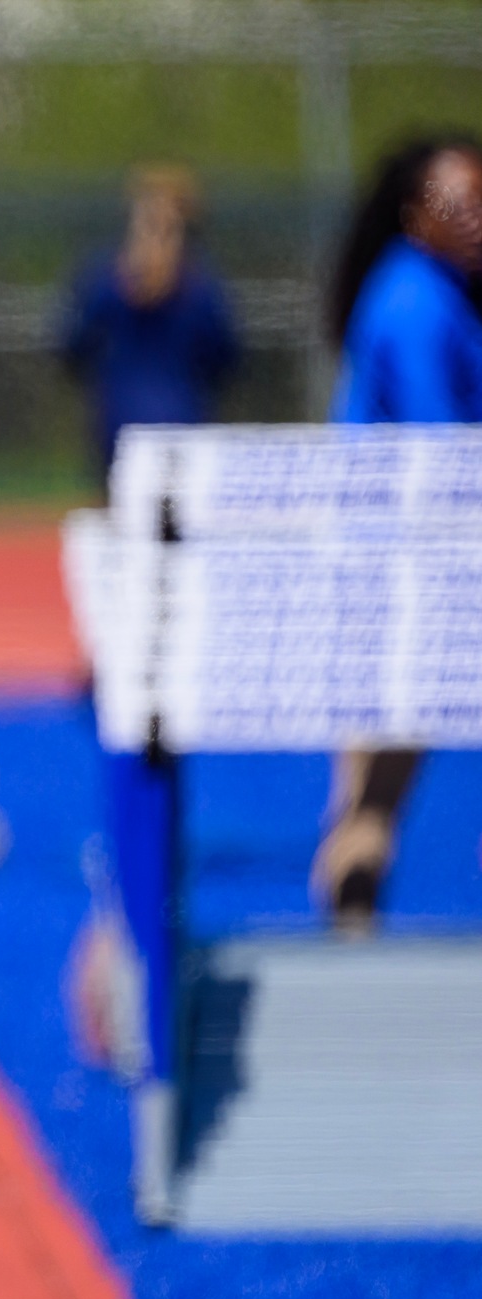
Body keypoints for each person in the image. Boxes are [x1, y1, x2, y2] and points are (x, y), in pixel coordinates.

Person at [314, 133, 482, 929]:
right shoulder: (416, 302)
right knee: (375, 776)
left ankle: (351, 913)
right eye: (461, 202)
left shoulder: (432, 291)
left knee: (373, 779)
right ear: (416, 212)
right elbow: (441, 450)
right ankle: (351, 911)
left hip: (403, 565)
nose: (477, 217)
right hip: (400, 571)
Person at [60, 163, 242, 488]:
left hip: (139, 426)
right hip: (164, 424)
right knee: (168, 525)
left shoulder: (108, 279)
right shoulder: (198, 284)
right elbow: (225, 357)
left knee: (141, 523)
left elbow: (72, 345)